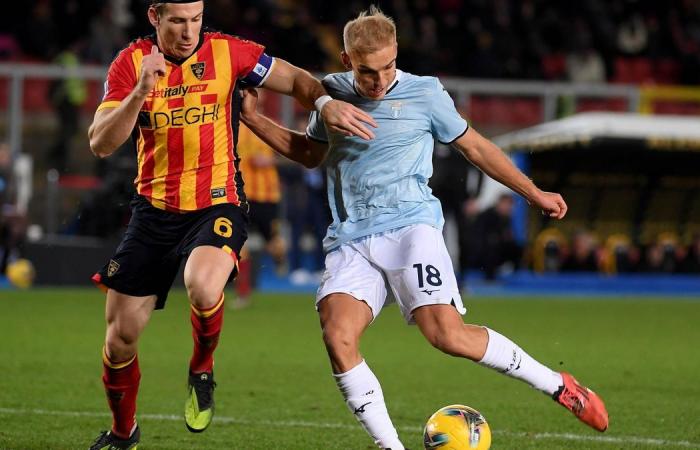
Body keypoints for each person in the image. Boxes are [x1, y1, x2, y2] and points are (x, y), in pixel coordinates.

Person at [239, 6, 608, 449]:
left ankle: (557, 385)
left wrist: (534, 193)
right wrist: (255, 120)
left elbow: (477, 148)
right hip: (351, 239)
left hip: (411, 227)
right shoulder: (333, 96)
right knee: (337, 336)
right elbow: (310, 154)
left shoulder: (426, 94)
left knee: (447, 336)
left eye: (388, 66)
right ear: (345, 61)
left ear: (397, 54)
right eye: (367, 71)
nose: (379, 80)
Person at [86, 1, 377, 449]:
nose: (188, 32)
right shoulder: (130, 63)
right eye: (177, 21)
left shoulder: (229, 53)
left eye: (195, 20)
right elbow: (101, 143)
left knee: (203, 286)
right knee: (119, 340)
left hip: (217, 202)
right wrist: (140, 90)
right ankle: (124, 433)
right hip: (153, 211)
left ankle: (201, 369)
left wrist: (323, 102)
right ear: (154, 17)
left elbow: (297, 79)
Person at [231, 119, 286, 308]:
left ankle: (279, 259)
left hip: (267, 196)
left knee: (274, 243)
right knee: (239, 246)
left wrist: (270, 159)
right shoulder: (231, 126)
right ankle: (243, 294)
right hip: (241, 195)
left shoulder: (267, 124)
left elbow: (286, 153)